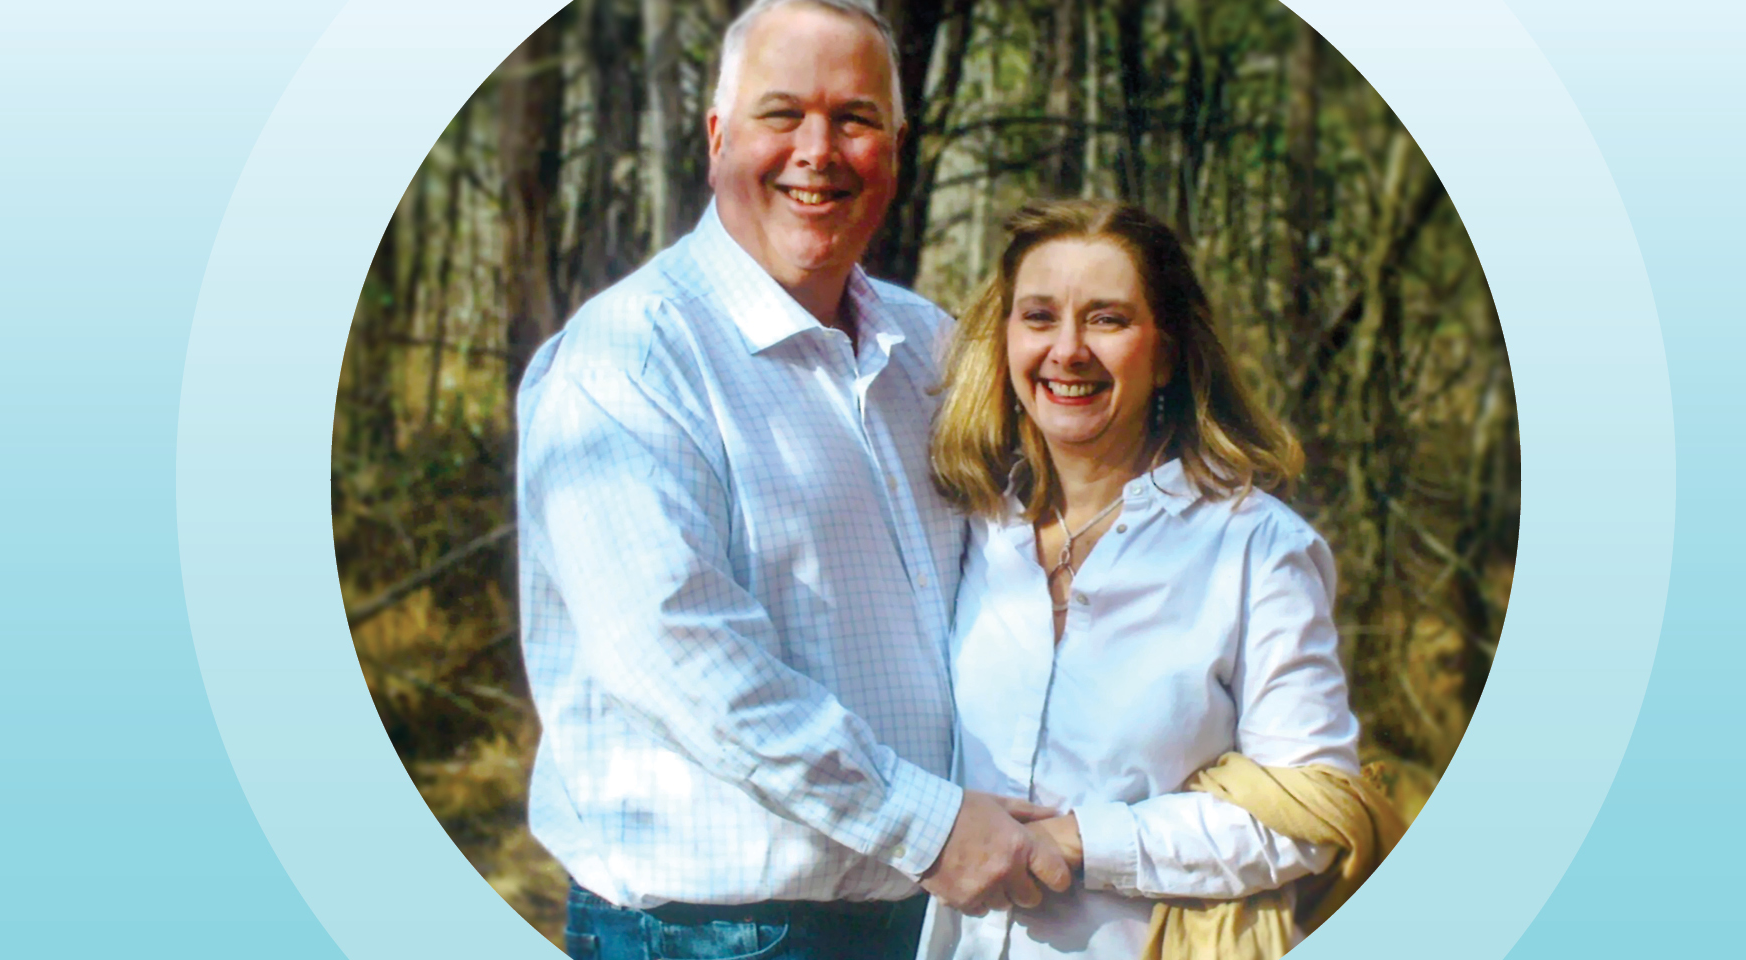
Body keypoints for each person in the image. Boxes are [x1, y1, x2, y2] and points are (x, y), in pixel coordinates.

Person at [515, 3, 1069, 958]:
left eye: (855, 119)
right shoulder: (630, 359)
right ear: (718, 138)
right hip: (712, 934)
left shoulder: (930, 349)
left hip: (930, 913)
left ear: (895, 148)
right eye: (783, 114)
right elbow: (676, 654)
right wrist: (927, 826)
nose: (819, 151)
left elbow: (1041, 562)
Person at [919, 199, 1402, 960]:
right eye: (1039, 317)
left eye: (1107, 320)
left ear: (1167, 353)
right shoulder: (966, 525)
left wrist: (1083, 840)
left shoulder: (1253, 547)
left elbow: (1309, 813)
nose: (1068, 351)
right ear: (1006, 338)